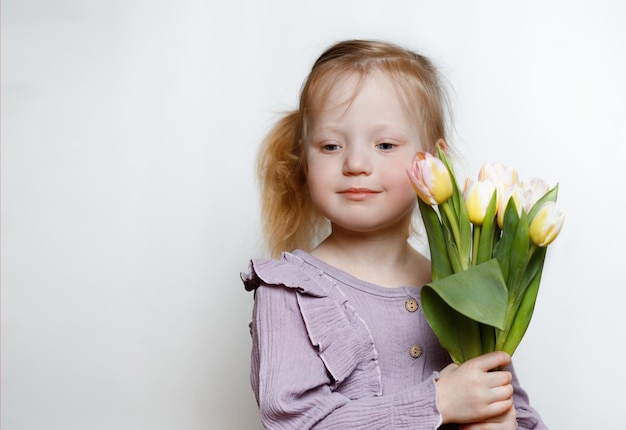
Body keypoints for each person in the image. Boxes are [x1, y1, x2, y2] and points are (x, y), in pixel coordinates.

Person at [241, 39, 547, 429]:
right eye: (330, 145)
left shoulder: (466, 288)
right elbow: (295, 421)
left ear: (432, 160)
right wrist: (436, 403)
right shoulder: (290, 292)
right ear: (304, 159)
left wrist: (503, 422)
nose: (354, 163)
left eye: (385, 144)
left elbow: (514, 407)